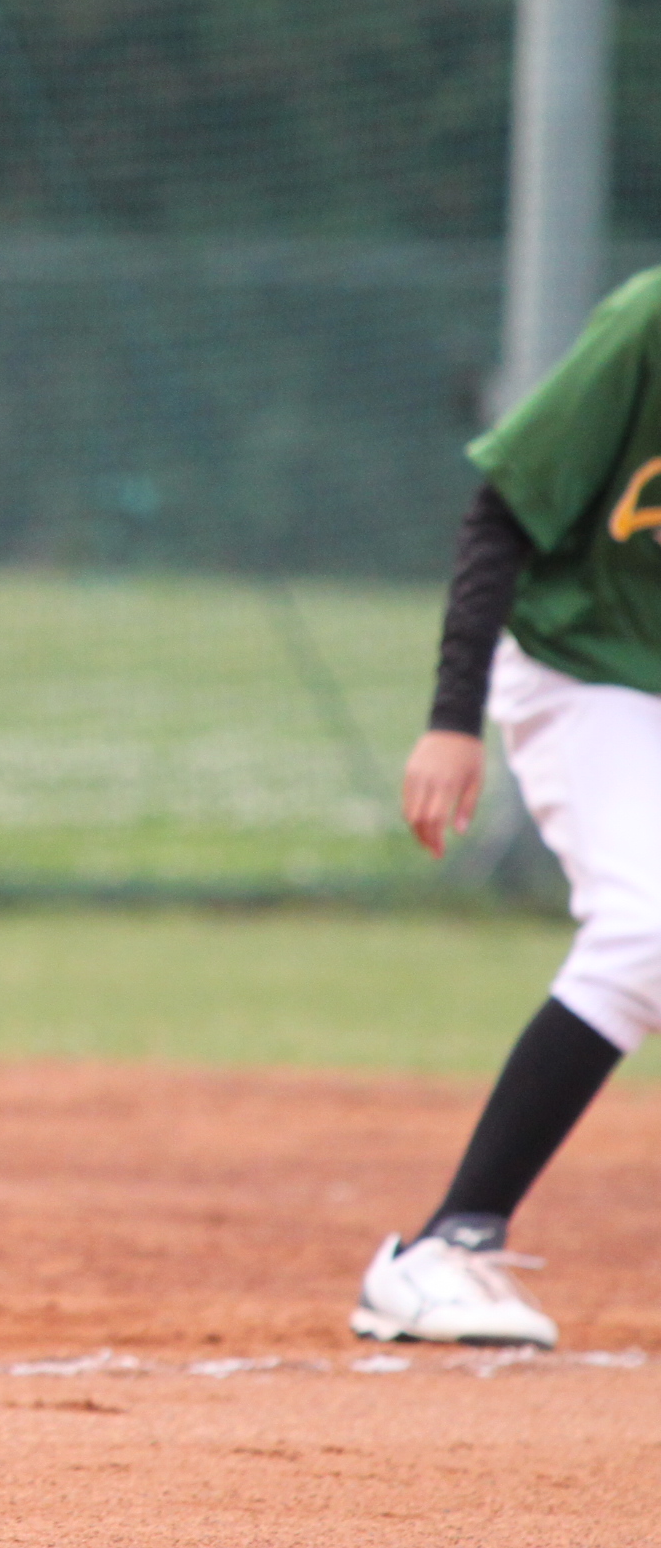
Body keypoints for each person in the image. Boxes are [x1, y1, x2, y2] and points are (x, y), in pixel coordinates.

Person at [360, 267, 661, 1348]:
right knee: (646, 929)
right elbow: (501, 514)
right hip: (587, 669)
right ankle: (444, 1248)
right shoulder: (651, 320)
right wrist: (453, 719)